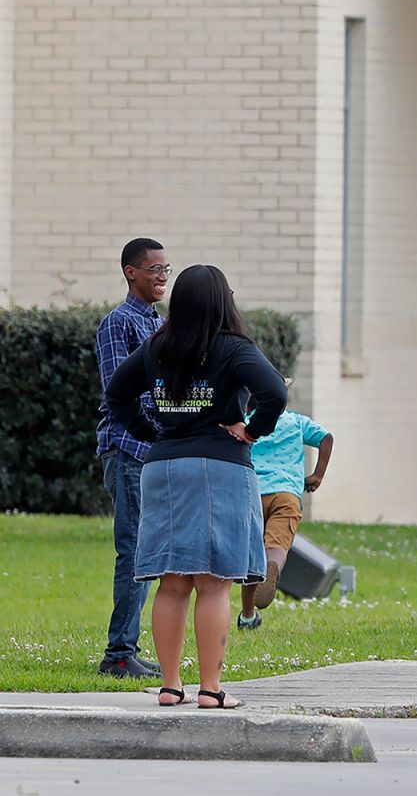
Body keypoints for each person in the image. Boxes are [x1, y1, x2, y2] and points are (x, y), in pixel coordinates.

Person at [106, 264, 287, 709]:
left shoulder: (156, 347)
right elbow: (275, 394)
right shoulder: (232, 348)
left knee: (171, 583)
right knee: (213, 583)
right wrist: (251, 430)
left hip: (164, 468)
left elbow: (116, 394)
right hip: (219, 469)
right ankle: (210, 689)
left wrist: (151, 433)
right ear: (223, 300)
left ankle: (170, 686)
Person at [94, 237, 169, 679]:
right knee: (134, 551)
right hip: (128, 449)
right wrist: (160, 427)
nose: (162, 276)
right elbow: (118, 391)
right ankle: (118, 653)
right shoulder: (117, 324)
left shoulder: (158, 324)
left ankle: (129, 648)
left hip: (155, 451)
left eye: (166, 269)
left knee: (148, 552)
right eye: (154, 269)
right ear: (131, 272)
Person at [237, 378, 335, 630]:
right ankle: (274, 568)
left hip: (252, 493)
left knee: (252, 557)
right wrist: (317, 475)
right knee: (276, 546)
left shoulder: (247, 423)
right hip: (287, 495)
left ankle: (247, 616)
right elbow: (326, 438)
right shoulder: (295, 421)